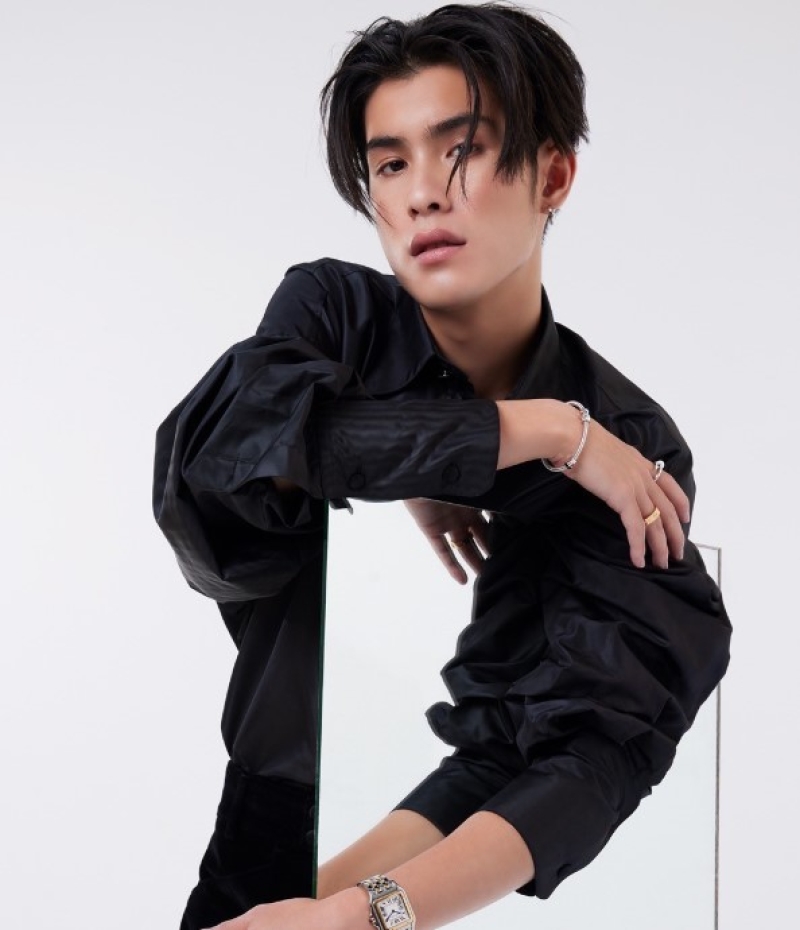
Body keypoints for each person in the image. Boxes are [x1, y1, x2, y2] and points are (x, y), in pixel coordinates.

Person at [152, 4, 731, 929]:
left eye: (460, 151)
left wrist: (356, 916)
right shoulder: (332, 318)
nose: (422, 194)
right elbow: (220, 475)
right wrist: (525, 434)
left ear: (552, 175)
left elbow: (580, 760)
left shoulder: (628, 445)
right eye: (390, 164)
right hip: (263, 836)